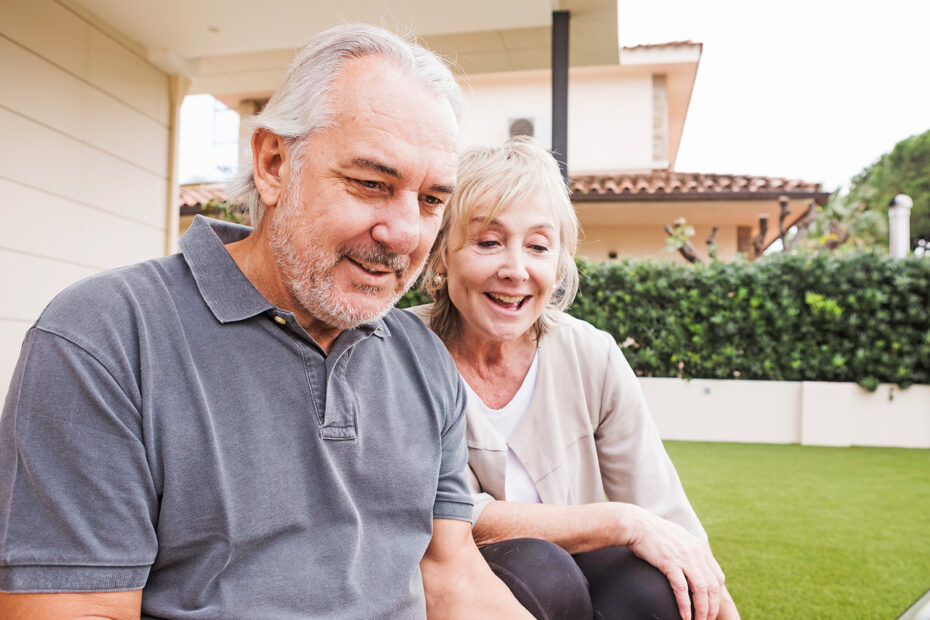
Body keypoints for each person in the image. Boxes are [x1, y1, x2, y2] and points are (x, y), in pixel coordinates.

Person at [0, 24, 531, 619]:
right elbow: (75, 609)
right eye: (371, 183)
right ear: (274, 163)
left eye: (431, 200)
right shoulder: (105, 338)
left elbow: (450, 573)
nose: (406, 234)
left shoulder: (421, 356)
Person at [413, 137, 740, 620]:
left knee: (656, 583)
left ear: (559, 263)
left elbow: (666, 515)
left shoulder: (592, 353)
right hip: (456, 587)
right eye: (488, 241)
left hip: (574, 572)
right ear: (442, 254)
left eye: (538, 247)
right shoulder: (403, 354)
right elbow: (455, 519)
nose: (515, 270)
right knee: (543, 569)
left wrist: (716, 600)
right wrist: (618, 520)